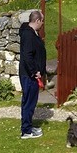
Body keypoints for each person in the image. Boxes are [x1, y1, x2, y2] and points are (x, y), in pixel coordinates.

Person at [18, 9, 46, 139]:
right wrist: (35, 72)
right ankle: (26, 131)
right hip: (29, 75)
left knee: (30, 102)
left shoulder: (32, 33)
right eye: (42, 21)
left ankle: (28, 126)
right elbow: (27, 56)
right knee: (29, 102)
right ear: (37, 20)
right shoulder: (28, 35)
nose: (43, 24)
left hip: (31, 74)